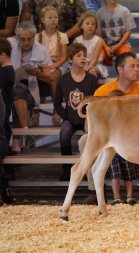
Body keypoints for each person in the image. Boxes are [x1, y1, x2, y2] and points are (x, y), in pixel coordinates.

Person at [82, 51, 139, 204]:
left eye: (138, 66)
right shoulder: (103, 91)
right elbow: (89, 124)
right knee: (84, 140)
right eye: (132, 66)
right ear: (120, 70)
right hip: (109, 136)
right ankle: (94, 190)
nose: (137, 69)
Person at [53, 43, 98, 181]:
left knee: (90, 139)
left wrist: (88, 118)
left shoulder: (91, 79)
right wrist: (66, 116)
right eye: (79, 56)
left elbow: (94, 102)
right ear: (71, 59)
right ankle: (67, 170)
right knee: (64, 133)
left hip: (87, 119)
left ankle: (87, 170)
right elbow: (56, 102)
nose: (83, 58)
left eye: (85, 55)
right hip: (70, 118)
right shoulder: (64, 79)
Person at [10, 22, 53, 153]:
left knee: (20, 95)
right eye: (23, 39)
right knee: (18, 92)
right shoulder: (12, 48)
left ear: (34, 37)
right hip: (19, 83)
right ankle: (25, 131)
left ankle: (19, 137)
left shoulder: (42, 50)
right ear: (17, 38)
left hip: (38, 84)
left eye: (30, 39)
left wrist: (38, 74)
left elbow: (48, 78)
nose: (26, 42)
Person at [36, 6, 69, 126]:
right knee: (35, 76)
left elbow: (64, 57)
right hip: (43, 65)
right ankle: (35, 111)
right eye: (50, 17)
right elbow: (36, 55)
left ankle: (56, 111)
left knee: (54, 79)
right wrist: (44, 67)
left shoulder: (62, 36)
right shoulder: (38, 37)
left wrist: (53, 66)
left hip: (57, 65)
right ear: (43, 20)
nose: (53, 20)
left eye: (56, 17)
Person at [20, 0, 87, 40]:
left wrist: (63, 37)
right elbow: (24, 20)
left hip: (69, 41)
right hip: (40, 40)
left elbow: (82, 21)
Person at [96, 0, 136, 66]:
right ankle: (101, 74)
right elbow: (98, 34)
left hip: (122, 44)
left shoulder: (125, 11)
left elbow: (128, 31)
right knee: (97, 57)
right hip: (104, 45)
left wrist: (118, 45)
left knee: (126, 59)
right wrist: (106, 48)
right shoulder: (99, 13)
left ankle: (124, 75)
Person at [74, 12, 108, 79]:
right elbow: (76, 58)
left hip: (94, 65)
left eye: (93, 24)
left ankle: (92, 89)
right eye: (87, 23)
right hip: (80, 65)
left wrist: (86, 69)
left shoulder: (98, 41)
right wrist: (81, 67)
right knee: (72, 71)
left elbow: (94, 60)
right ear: (81, 26)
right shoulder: (77, 40)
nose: (90, 26)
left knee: (92, 72)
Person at [0, 37, 14, 145]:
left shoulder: (4, 71)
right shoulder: (8, 69)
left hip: (4, 105)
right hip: (6, 104)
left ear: (3, 55)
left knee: (4, 126)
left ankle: (5, 146)